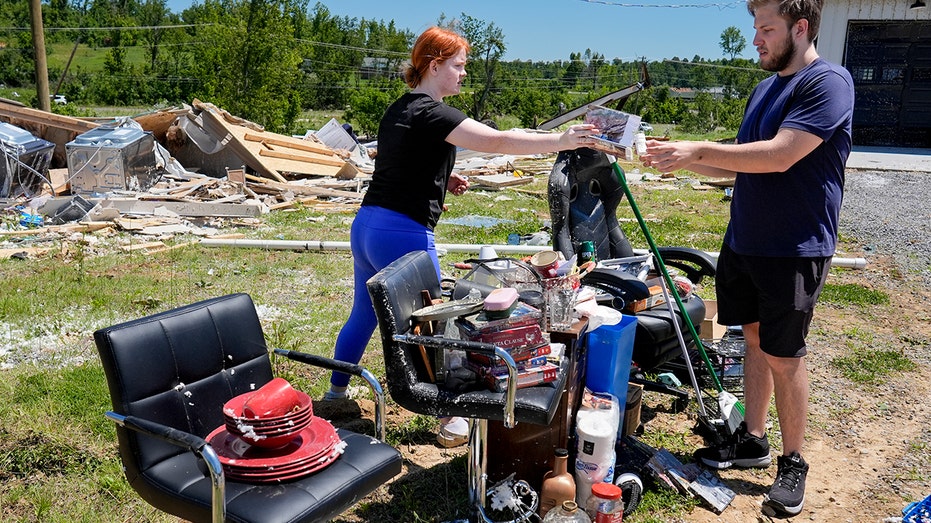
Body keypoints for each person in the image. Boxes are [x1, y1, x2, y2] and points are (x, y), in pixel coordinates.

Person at [325, 26, 599, 448]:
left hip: (367, 226)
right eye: (458, 65)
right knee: (441, 321)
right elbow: (498, 140)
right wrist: (559, 140)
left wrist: (442, 176)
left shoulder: (403, 108)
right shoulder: (435, 112)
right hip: (403, 230)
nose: (463, 73)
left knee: (363, 313)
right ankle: (453, 418)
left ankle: (335, 395)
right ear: (434, 65)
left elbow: (403, 158)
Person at [640, 0, 853, 517]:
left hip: (793, 248)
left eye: (767, 28)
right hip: (744, 241)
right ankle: (753, 440)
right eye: (754, 27)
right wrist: (682, 163)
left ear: (800, 28)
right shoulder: (764, 88)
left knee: (785, 353)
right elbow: (741, 166)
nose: (756, 39)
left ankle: (793, 460)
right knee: (752, 339)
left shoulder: (828, 83)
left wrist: (697, 149)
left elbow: (782, 154)